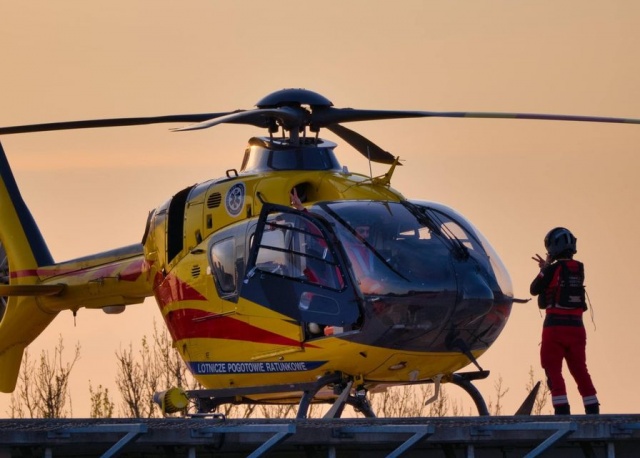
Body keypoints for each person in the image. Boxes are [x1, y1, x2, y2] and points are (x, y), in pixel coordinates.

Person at [530, 227, 599, 415]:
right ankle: (592, 409)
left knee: (552, 369)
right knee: (580, 370)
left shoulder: (551, 269)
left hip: (555, 328)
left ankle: (562, 410)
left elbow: (534, 289)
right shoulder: (579, 268)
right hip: (577, 327)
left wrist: (545, 268)